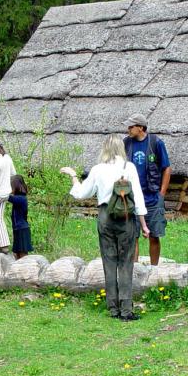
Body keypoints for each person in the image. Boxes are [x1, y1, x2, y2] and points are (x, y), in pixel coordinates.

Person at [62, 135, 150, 321]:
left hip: (105, 217)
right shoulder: (129, 168)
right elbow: (139, 198)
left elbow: (81, 194)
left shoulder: (97, 169)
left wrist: (73, 176)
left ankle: (113, 308)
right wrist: (143, 225)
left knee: (109, 262)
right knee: (126, 262)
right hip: (126, 217)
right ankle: (126, 310)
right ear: (121, 149)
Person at [123, 113, 171, 266]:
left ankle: (154, 269)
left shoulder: (156, 143)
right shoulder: (126, 143)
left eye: (131, 127)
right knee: (133, 236)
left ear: (141, 128)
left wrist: (161, 194)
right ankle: (135, 271)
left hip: (152, 198)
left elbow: (166, 168)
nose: (128, 129)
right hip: (132, 198)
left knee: (154, 236)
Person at [9, 174, 32, 259]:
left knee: (22, 255)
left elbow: (8, 197)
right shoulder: (19, 198)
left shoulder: (21, 198)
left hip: (22, 229)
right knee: (16, 253)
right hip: (18, 229)